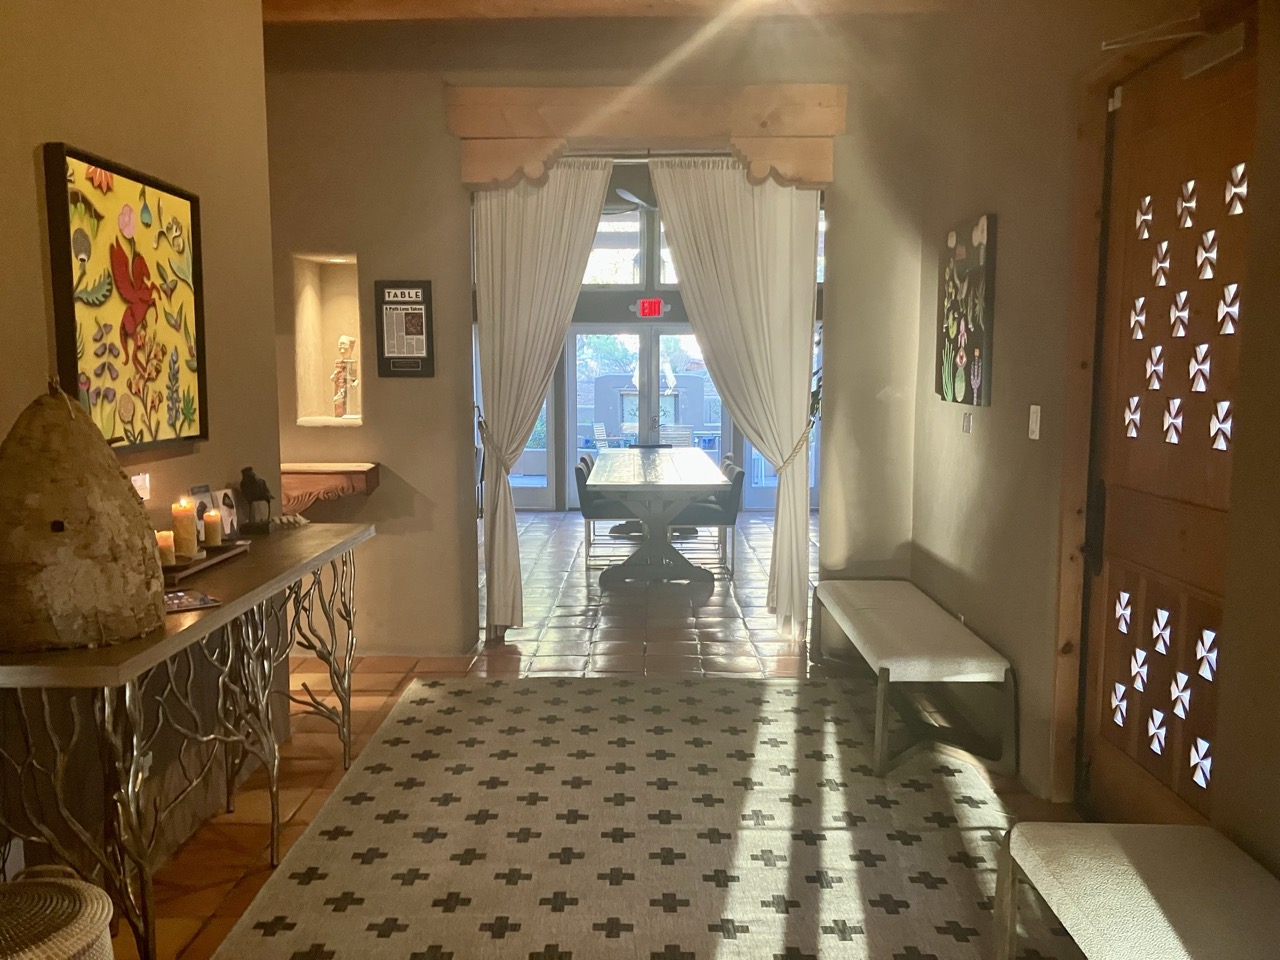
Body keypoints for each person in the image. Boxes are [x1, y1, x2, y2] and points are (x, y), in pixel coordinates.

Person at [331, 335, 359, 417]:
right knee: (339, 405)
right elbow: (336, 375)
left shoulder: (352, 363)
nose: (342, 351)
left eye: (345, 348)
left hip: (348, 388)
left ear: (350, 349)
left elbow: (355, 378)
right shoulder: (338, 363)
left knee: (349, 405)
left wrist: (355, 383)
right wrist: (334, 376)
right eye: (340, 349)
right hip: (339, 388)